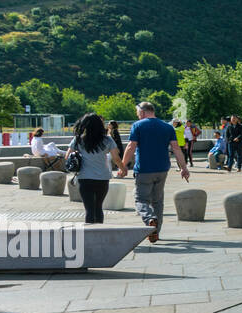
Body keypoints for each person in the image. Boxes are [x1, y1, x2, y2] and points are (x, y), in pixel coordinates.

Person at [118, 101, 188, 243]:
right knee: (157, 201)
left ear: (143, 112)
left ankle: (150, 220)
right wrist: (184, 168)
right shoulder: (167, 127)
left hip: (144, 169)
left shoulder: (138, 125)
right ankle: (156, 231)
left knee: (141, 199)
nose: (138, 116)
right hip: (162, 168)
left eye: (138, 114)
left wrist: (123, 166)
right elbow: (176, 148)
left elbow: (131, 146)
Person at [68, 113, 122, 224]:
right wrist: (123, 168)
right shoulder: (107, 140)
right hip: (102, 178)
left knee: (89, 209)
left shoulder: (78, 140)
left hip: (84, 177)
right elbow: (116, 158)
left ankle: (89, 234)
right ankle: (99, 232)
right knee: (98, 207)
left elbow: (68, 156)